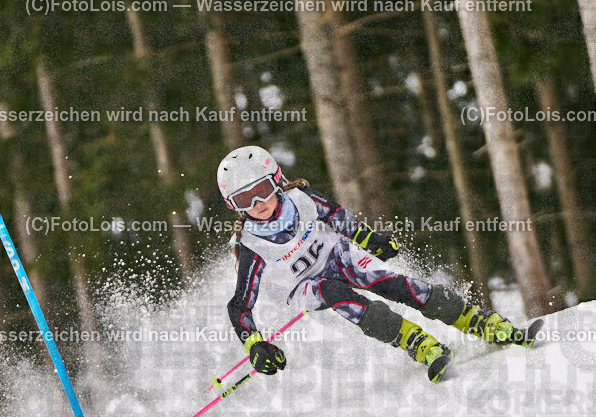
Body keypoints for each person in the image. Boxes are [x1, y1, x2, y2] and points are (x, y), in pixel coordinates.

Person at [217, 146, 539, 384]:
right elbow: (240, 305)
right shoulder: (252, 246)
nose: (257, 205)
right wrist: (255, 344)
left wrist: (369, 239)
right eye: (244, 200)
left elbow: (337, 216)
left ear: (277, 180)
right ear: (234, 206)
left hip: (337, 255)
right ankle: (418, 343)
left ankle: (482, 323)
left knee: (391, 284)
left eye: (260, 191)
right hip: (302, 287)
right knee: (335, 291)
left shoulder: (302, 199)